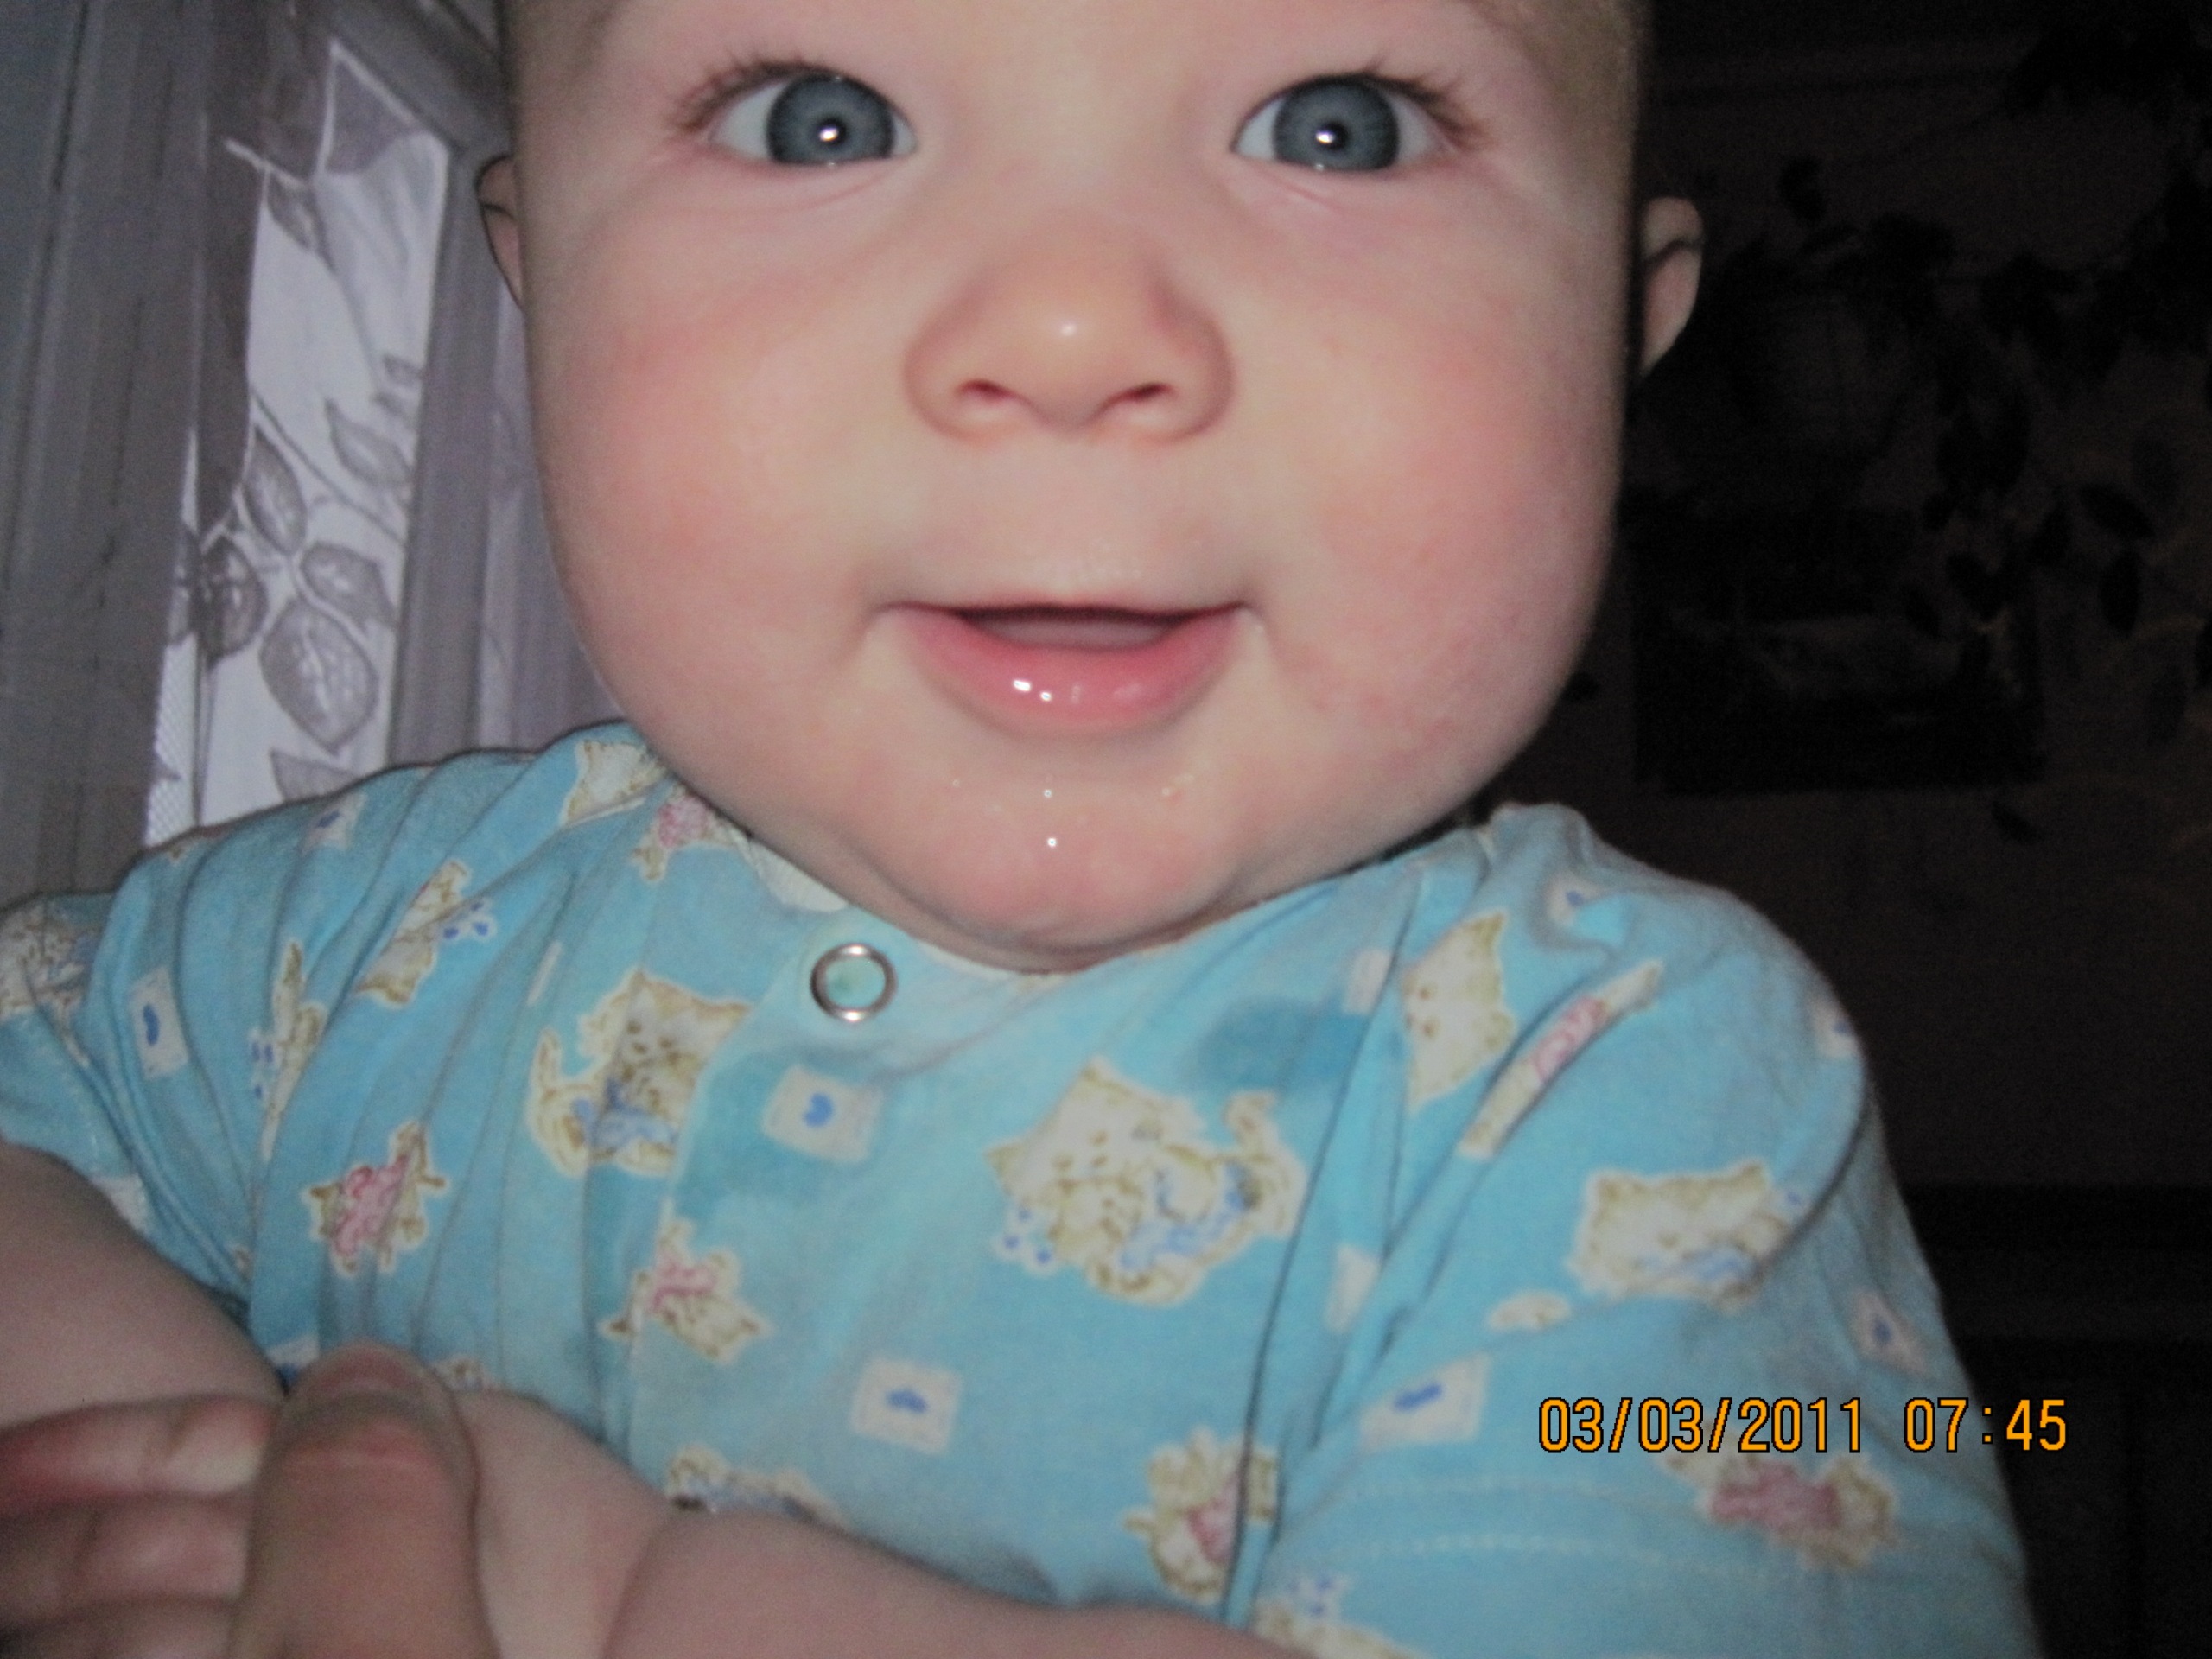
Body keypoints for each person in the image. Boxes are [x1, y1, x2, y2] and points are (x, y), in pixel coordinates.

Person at [0, 0, 2038, 1652]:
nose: (1068, 333)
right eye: (815, 120)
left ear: (1610, 322)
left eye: (1335, 127)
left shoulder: (1630, 1098)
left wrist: (634, 1614)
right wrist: (193, 1494)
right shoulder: (338, 942)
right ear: (541, 291)